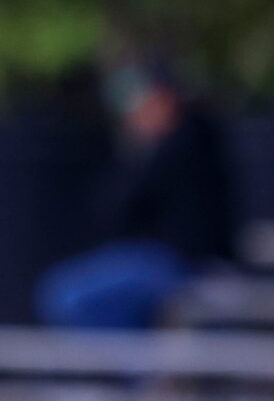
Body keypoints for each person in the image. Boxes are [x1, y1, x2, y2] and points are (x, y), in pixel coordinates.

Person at [36, 59, 236, 330]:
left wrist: (140, 147)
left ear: (164, 98)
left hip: (182, 264)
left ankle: (135, 371)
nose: (135, 114)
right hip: (163, 259)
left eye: (141, 103)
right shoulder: (181, 142)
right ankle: (137, 370)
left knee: (67, 295)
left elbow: (123, 204)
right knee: (81, 296)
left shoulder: (187, 142)